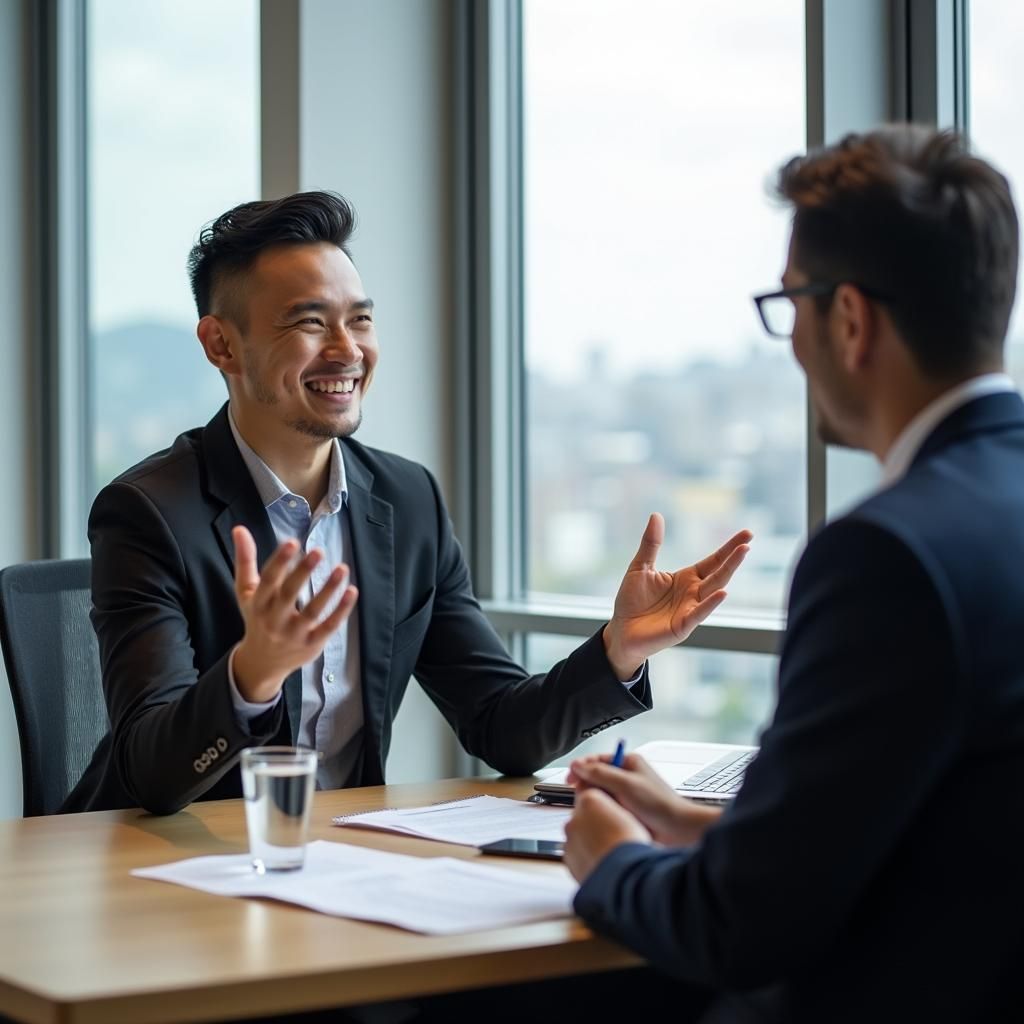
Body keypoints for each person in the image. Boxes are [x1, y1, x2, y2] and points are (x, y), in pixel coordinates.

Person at [63, 190, 750, 815]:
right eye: (309, 323)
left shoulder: (405, 498)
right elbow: (150, 773)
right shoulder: (147, 511)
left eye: (359, 321)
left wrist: (618, 651)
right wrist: (254, 673)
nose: (347, 351)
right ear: (221, 345)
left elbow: (501, 727)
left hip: (336, 860)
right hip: (154, 870)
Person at [563, 125, 1024, 1023]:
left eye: (790, 306)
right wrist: (716, 828)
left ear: (849, 319)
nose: (791, 343)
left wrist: (609, 858)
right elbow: (957, 838)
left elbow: (737, 929)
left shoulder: (887, 555)